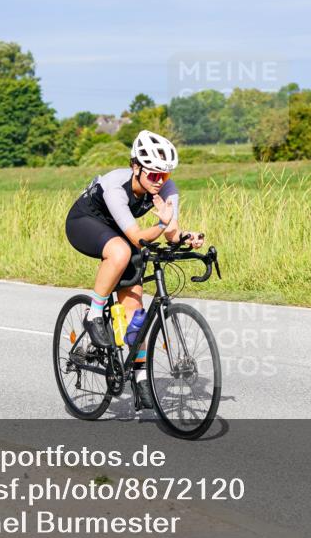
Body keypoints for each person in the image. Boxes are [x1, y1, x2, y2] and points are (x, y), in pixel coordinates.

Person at [64, 130, 205, 409]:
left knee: (136, 314)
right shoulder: (115, 186)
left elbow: (170, 232)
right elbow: (137, 237)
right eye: (153, 175)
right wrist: (162, 225)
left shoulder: (167, 188)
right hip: (85, 222)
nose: (159, 181)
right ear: (135, 167)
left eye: (164, 176)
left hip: (124, 230)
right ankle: (93, 316)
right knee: (121, 251)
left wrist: (186, 236)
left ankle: (140, 379)